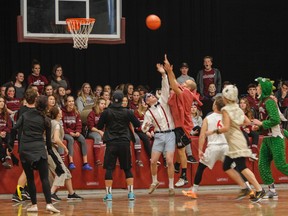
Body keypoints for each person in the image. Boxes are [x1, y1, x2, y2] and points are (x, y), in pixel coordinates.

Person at [206, 85, 265, 203]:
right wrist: (237, 125)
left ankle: (259, 189)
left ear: (226, 97)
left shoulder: (226, 110)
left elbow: (226, 128)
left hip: (235, 141)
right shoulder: (237, 108)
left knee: (242, 167)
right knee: (226, 166)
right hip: (236, 140)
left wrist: (212, 131)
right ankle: (244, 188)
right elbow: (247, 122)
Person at [8, 95, 60, 213]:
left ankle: (34, 204)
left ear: (36, 104)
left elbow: (14, 128)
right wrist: (56, 160)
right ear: (46, 106)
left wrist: (10, 145)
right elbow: (48, 144)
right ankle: (49, 204)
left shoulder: (25, 115)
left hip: (25, 150)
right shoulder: (46, 120)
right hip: (40, 150)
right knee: (44, 179)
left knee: (30, 178)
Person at [163, 55, 202, 188]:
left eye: (185, 84)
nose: (182, 84)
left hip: (182, 126)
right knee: (181, 149)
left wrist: (168, 71)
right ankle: (178, 166)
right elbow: (174, 82)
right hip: (180, 125)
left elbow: (173, 85)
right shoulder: (185, 90)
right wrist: (170, 71)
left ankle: (184, 176)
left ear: (190, 88)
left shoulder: (186, 93)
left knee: (180, 151)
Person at [97, 90, 140, 201]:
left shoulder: (106, 112)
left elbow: (99, 126)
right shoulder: (128, 112)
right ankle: (130, 194)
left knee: (109, 169)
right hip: (124, 142)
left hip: (111, 143)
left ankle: (109, 195)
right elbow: (137, 124)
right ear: (122, 101)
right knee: (127, 168)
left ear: (112, 99)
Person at [182, 96, 228, 198]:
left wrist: (199, 150)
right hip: (225, 146)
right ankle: (248, 188)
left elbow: (202, 135)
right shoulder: (226, 117)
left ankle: (194, 190)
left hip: (213, 147)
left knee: (201, 167)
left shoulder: (208, 118)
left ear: (215, 105)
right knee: (237, 168)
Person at [142, 64, 176, 196]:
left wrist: (163, 74)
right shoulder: (148, 113)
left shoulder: (163, 101)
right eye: (149, 96)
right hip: (158, 136)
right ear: (147, 102)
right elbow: (144, 127)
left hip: (170, 134)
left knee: (169, 161)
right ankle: (155, 181)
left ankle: (171, 186)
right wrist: (145, 128)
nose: (152, 96)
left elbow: (165, 87)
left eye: (151, 95)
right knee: (153, 161)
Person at [252, 77, 288, 199]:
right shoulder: (262, 102)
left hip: (276, 138)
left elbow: (276, 120)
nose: (256, 88)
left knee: (280, 165)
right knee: (262, 164)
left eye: (258, 86)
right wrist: (259, 127)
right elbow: (267, 120)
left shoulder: (269, 102)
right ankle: (271, 190)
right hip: (267, 138)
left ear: (263, 88)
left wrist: (261, 124)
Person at [47, 106, 83, 201]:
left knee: (66, 172)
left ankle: (71, 193)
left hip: (46, 149)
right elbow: (56, 139)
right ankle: (51, 193)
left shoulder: (50, 122)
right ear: (57, 113)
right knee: (61, 171)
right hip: (50, 150)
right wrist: (65, 147)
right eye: (59, 111)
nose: (61, 112)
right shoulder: (56, 124)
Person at [62, 95, 93, 171]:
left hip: (75, 132)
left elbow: (79, 124)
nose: (71, 103)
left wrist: (78, 132)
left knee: (82, 139)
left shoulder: (76, 112)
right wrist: (71, 133)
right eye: (69, 101)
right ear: (66, 103)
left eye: (72, 101)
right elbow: (62, 127)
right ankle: (71, 162)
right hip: (66, 133)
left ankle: (85, 163)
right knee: (70, 139)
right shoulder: (62, 112)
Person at [87, 98, 106, 165]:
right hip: (92, 132)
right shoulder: (92, 113)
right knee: (98, 137)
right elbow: (91, 127)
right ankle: (97, 159)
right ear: (98, 104)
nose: (103, 105)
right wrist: (99, 131)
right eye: (102, 104)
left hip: (103, 131)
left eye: (104, 104)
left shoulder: (104, 113)